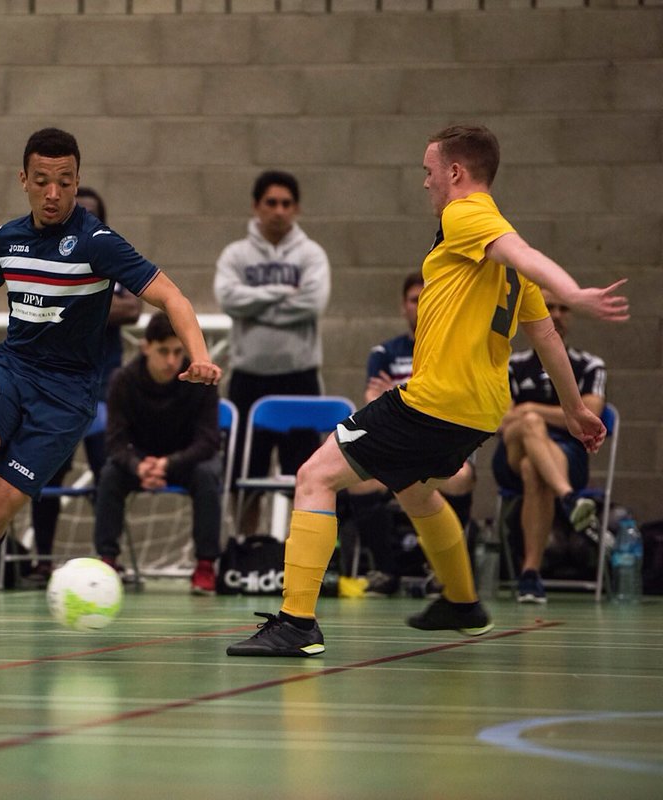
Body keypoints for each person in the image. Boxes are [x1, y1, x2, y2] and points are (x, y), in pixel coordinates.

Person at [227, 124, 628, 658]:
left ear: (456, 173)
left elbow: (524, 254)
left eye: (428, 171)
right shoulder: (496, 251)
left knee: (314, 476)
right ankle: (462, 602)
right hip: (481, 410)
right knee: (415, 490)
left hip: (435, 400)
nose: (425, 183)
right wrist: (574, 408)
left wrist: (573, 292)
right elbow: (545, 334)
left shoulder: (468, 216)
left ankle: (296, 622)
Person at [0, 127, 221, 641]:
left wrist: (200, 356)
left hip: (67, 395)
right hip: (11, 368)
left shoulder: (97, 243)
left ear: (77, 182)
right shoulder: (7, 237)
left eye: (65, 182)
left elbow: (173, 298)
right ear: (24, 179)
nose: (53, 193)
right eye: (43, 180)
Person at [26, 186, 141, 585]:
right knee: (48, 472)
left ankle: (108, 556)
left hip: (104, 385)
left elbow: (132, 307)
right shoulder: (44, 256)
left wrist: (79, 304)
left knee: (106, 472)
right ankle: (41, 558)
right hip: (54, 382)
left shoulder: (111, 255)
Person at [214, 170, 331, 536]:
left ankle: (299, 553)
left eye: (286, 203)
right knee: (244, 472)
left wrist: (256, 305)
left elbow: (313, 303)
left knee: (307, 474)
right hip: (249, 380)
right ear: (256, 206)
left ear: (296, 208)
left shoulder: (312, 254)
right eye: (271, 203)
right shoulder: (235, 254)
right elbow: (228, 298)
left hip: (300, 379)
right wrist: (282, 293)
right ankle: (247, 546)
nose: (278, 211)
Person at [348, 272, 476, 597]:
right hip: (396, 447)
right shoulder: (385, 352)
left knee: (461, 478)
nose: (420, 307)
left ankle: (441, 572)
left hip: (440, 449)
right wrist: (416, 398)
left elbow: (452, 401)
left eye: (426, 299)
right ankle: (386, 571)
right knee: (359, 482)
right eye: (413, 300)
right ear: (403, 306)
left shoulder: (454, 347)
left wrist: (397, 393)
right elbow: (374, 402)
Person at [93, 313, 222, 595]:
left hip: (186, 461)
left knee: (209, 474)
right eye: (163, 351)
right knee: (110, 474)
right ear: (145, 347)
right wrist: (138, 466)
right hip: (139, 463)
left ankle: (205, 566)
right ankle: (108, 562)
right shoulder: (123, 380)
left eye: (178, 352)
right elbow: (115, 441)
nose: (171, 361)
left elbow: (209, 441)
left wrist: (169, 463)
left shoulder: (200, 381)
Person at [493, 292, 606, 604]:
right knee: (528, 423)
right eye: (548, 307)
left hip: (565, 455)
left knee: (534, 467)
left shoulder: (589, 365)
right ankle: (568, 497)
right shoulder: (512, 364)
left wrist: (529, 408)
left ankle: (530, 573)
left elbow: (591, 413)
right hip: (512, 453)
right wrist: (555, 412)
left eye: (563, 308)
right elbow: (503, 419)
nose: (555, 314)